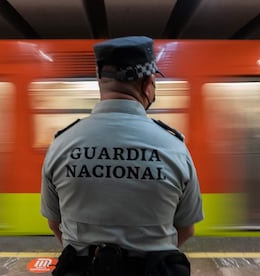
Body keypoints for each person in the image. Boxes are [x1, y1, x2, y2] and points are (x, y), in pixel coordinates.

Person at [40, 36, 204, 276]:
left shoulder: (61, 144)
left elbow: (55, 223)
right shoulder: (174, 147)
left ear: (100, 81)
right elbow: (186, 228)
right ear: (148, 82)